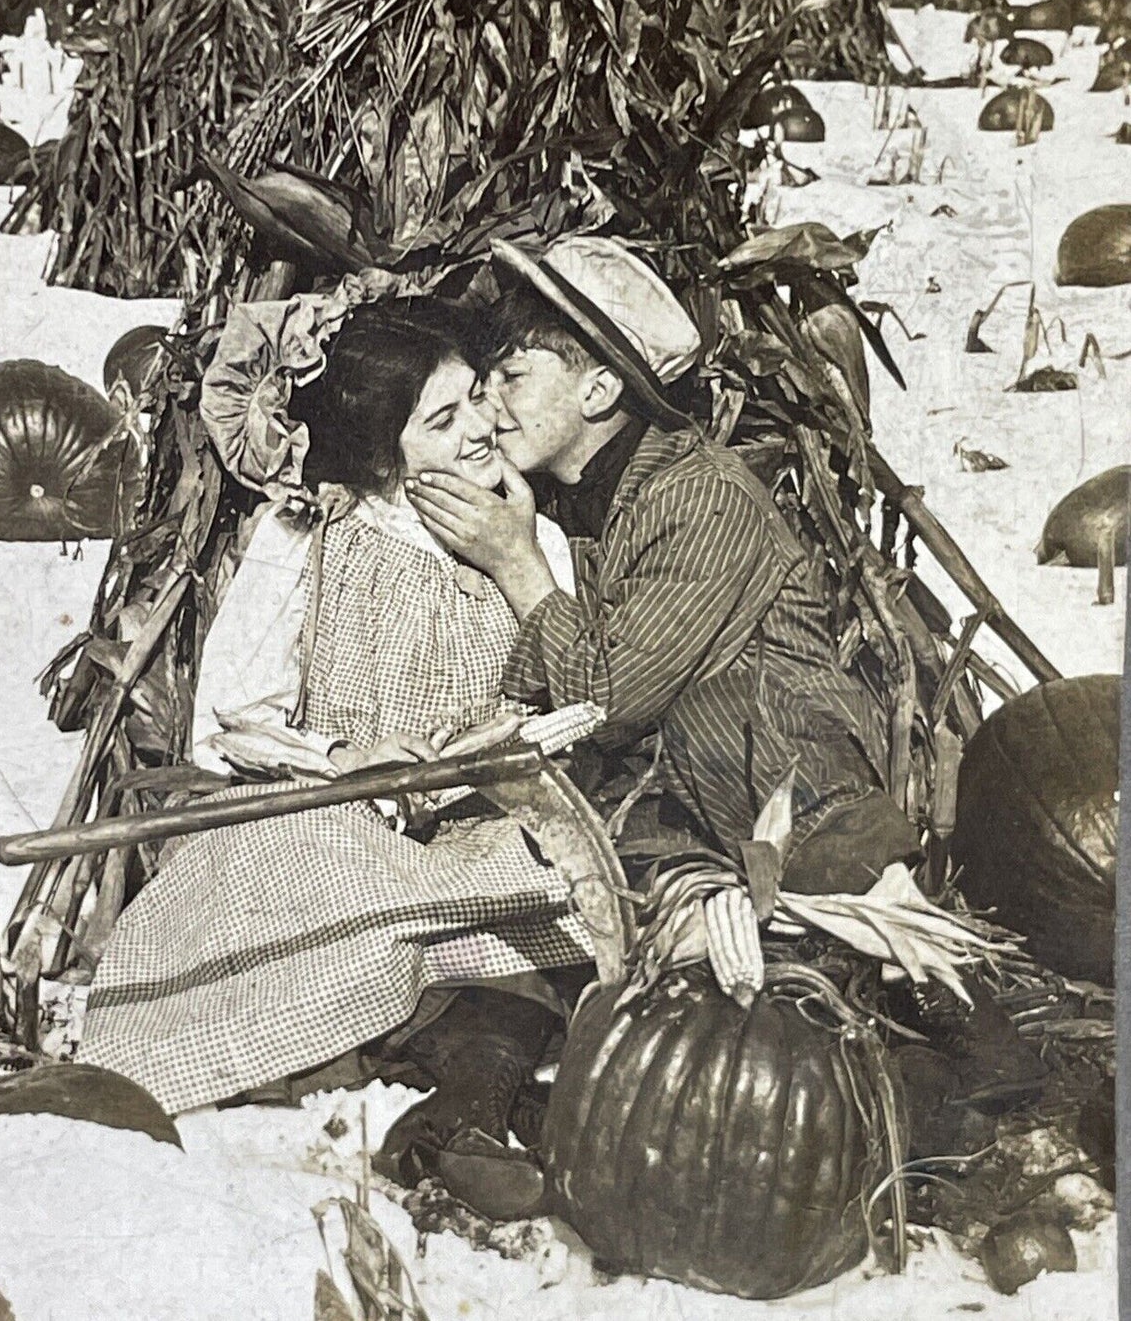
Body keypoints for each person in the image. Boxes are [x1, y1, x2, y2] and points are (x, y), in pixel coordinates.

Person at [81, 296, 596, 1213]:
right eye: (441, 420)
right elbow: (235, 711)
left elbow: (568, 688)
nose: (482, 427)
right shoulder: (313, 536)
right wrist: (342, 753)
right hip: (335, 809)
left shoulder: (535, 537)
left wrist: (495, 726)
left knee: (522, 932)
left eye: (478, 396)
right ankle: (359, 1062)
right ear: (379, 451)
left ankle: (457, 1119)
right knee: (305, 914)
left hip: (468, 825)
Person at [406, 236, 921, 895]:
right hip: (675, 804)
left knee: (714, 712)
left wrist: (517, 563)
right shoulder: (573, 498)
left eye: (512, 378)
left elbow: (610, 700)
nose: (489, 407)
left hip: (793, 795)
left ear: (597, 389)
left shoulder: (699, 499)